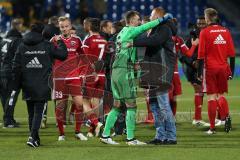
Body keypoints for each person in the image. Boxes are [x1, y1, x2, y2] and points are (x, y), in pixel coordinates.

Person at [100, 10, 173, 145]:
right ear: (132, 20)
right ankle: (131, 139)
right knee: (131, 106)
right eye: (138, 20)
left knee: (117, 106)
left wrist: (134, 65)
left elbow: (125, 52)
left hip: (115, 71)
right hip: (123, 72)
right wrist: (163, 19)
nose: (139, 22)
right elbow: (145, 27)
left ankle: (105, 135)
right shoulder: (130, 31)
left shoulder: (121, 33)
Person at [12, 22, 67, 148]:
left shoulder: (21, 46)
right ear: (42, 32)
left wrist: (17, 83)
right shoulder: (47, 45)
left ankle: (35, 139)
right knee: (38, 112)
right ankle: (32, 137)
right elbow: (63, 55)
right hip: (42, 84)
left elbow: (15, 66)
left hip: (27, 83)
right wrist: (60, 41)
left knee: (31, 113)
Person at [132, 7, 177, 145]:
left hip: (162, 71)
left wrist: (132, 42)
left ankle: (171, 136)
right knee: (154, 105)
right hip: (152, 71)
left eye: (151, 14)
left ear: (158, 15)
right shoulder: (155, 29)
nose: (150, 17)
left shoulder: (164, 28)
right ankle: (160, 135)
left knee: (163, 104)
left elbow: (154, 41)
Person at [197, 8, 235, 134]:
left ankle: (212, 128)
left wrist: (198, 73)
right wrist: (232, 71)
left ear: (207, 18)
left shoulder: (204, 32)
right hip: (223, 68)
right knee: (221, 96)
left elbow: (201, 56)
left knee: (211, 98)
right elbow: (232, 54)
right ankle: (226, 118)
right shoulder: (226, 31)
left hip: (211, 69)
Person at [52, 16, 87, 141]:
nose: (64, 29)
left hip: (74, 76)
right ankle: (61, 134)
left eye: (66, 26)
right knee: (61, 107)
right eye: (62, 27)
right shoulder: (54, 40)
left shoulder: (77, 40)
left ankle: (78, 131)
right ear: (59, 27)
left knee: (79, 104)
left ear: (70, 26)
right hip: (59, 78)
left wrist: (82, 72)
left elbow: (83, 57)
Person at [180, 16, 208, 126]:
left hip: (200, 68)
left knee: (202, 92)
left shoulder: (207, 35)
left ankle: (198, 118)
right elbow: (182, 55)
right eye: (199, 24)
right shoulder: (191, 37)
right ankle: (197, 119)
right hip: (190, 68)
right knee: (199, 90)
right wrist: (192, 62)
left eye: (203, 24)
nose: (201, 26)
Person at [81, 18, 107, 137]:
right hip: (102, 74)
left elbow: (86, 58)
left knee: (84, 101)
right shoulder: (104, 41)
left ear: (90, 27)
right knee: (95, 102)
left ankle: (96, 123)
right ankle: (92, 130)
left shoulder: (88, 40)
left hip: (92, 74)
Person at [0, 18, 23, 128]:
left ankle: (8, 118)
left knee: (4, 97)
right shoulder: (17, 41)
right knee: (12, 96)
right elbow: (20, 57)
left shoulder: (3, 40)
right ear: (18, 26)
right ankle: (8, 121)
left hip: (1, 71)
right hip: (11, 73)